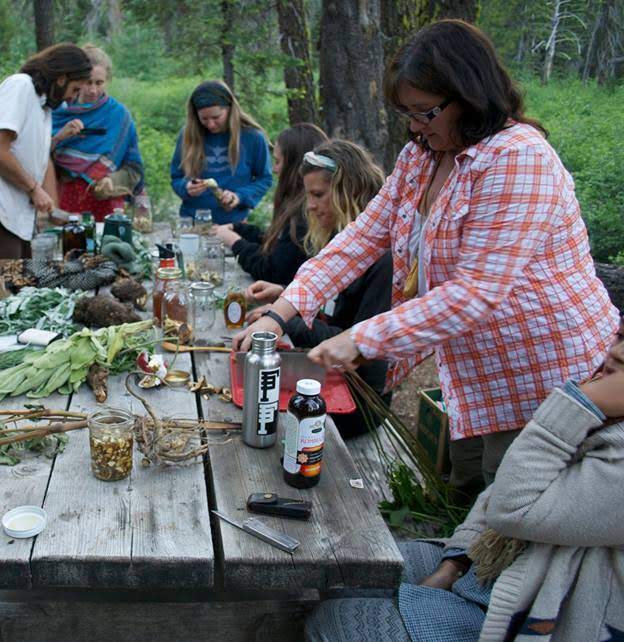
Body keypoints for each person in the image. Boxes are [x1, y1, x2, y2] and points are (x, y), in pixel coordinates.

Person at [235, 20, 618, 488]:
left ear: (469, 95)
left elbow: (476, 292)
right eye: (408, 114)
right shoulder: (423, 156)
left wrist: (361, 339)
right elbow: (359, 241)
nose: (415, 126)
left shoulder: (518, 158)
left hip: (542, 373)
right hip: (476, 376)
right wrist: (279, 314)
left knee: (512, 500)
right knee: (466, 484)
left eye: (425, 112)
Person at [303, 339, 624, 642]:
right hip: (493, 568)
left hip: (534, 611)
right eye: (622, 334)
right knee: (346, 566)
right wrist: (455, 563)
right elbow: (497, 493)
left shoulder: (588, 415)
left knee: (337, 619)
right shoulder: (606, 420)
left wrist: (579, 404)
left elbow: (512, 509)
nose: (618, 352)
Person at [244, 140, 393, 438]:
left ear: (348, 191)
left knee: (254, 414)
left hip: (355, 403)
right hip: (321, 378)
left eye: (318, 195)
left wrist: (289, 320)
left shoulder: (383, 261)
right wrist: (284, 294)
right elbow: (332, 304)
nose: (310, 206)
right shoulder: (338, 238)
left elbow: (363, 354)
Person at [0, 44, 92, 258]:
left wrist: (58, 138)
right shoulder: (20, 86)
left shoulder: (42, 105)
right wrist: (34, 189)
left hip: (19, 219)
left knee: (20, 288)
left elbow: (27, 154)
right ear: (62, 78)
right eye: (75, 89)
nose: (72, 98)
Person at [211, 123, 327, 285]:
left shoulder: (306, 212)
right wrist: (238, 229)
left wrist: (233, 241)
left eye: (278, 162)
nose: (274, 169)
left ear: (294, 165)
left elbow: (271, 271)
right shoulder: (296, 203)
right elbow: (279, 245)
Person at [51, 45, 145, 222]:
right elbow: (37, 158)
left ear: (107, 80)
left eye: (99, 83)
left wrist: (112, 181)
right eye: (87, 82)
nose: (93, 90)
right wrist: (59, 137)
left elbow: (134, 169)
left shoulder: (119, 116)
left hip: (105, 201)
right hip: (62, 200)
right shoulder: (56, 112)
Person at [169, 80, 272, 225]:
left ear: (230, 109)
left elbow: (265, 178)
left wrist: (239, 196)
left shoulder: (252, 137)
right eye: (204, 119)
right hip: (192, 222)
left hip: (234, 223)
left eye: (216, 117)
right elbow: (176, 177)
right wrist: (186, 188)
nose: (210, 124)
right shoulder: (187, 135)